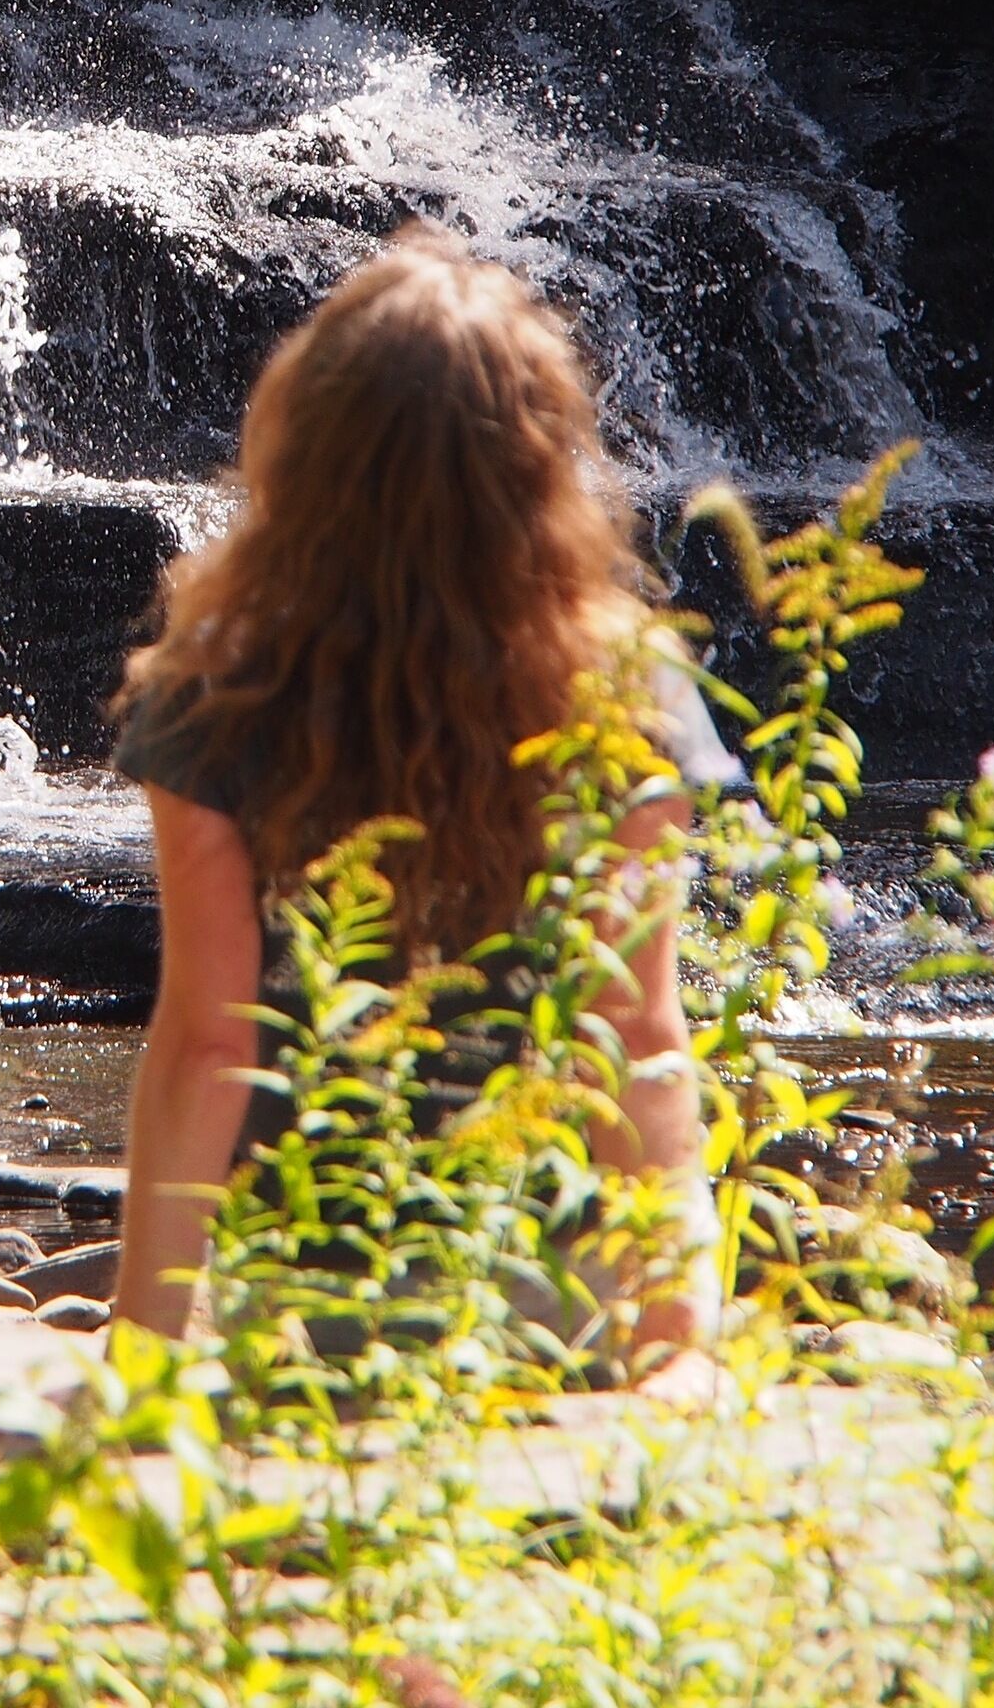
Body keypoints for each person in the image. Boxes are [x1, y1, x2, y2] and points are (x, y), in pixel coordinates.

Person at [105, 227, 726, 1375]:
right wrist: (679, 1344)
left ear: (307, 447)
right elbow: (638, 1033)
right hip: (553, 1291)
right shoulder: (631, 692)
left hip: (314, 1297)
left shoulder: (215, 689)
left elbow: (204, 1039)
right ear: (538, 468)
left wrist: (140, 1358)